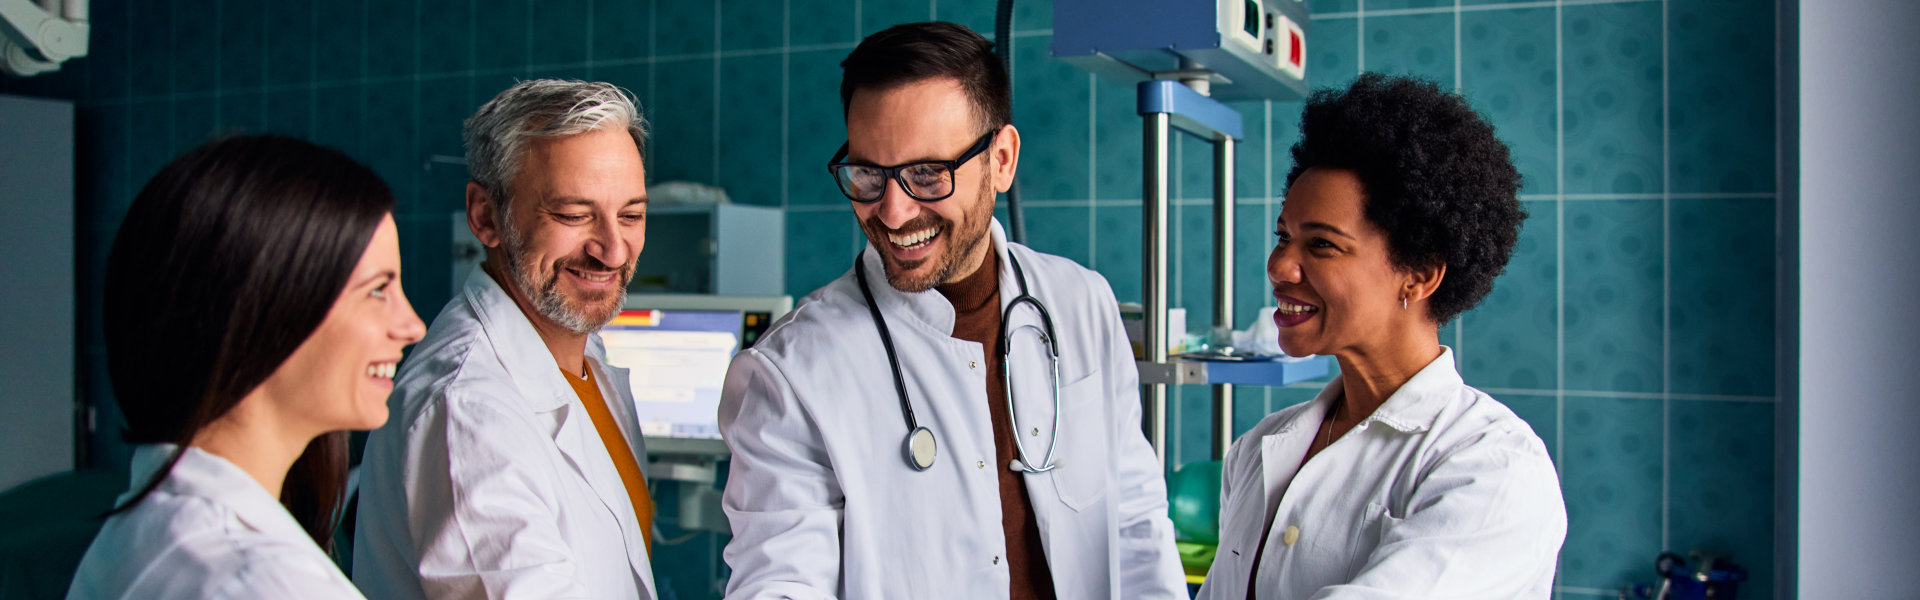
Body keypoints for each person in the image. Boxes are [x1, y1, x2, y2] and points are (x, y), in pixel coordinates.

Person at [717, 22, 1186, 600]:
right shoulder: (792, 372)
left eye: (926, 174)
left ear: (1002, 160)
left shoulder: (1081, 302)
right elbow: (780, 581)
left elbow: (1134, 518)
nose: (892, 212)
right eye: (868, 174)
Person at [1193, 73, 1567, 600]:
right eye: (1283, 237)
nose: (1280, 266)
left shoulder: (1490, 466)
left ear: (1419, 274)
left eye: (1321, 245)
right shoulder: (1259, 449)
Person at [66, 135, 427, 599]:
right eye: (378, 290)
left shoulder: (147, 529)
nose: (412, 326)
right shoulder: (260, 582)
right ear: (265, 311)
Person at [351, 79, 658, 599]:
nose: (612, 250)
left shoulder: (582, 352)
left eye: (631, 215)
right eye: (573, 215)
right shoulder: (467, 409)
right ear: (485, 216)